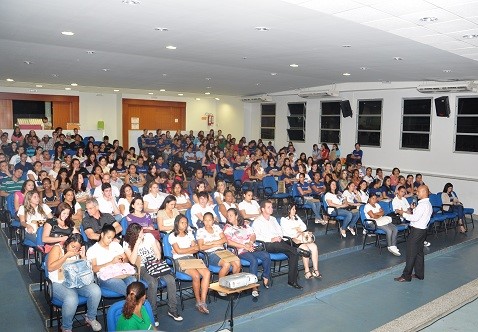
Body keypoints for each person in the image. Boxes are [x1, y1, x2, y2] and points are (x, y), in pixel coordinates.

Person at [123, 223, 182, 324]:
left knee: (171, 279)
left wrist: (157, 258)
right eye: (140, 233)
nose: (143, 234)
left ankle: (172, 309)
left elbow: (158, 253)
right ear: (134, 235)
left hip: (155, 263)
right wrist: (137, 243)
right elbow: (132, 261)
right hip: (141, 266)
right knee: (152, 282)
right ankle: (153, 312)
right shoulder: (127, 243)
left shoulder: (149, 237)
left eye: (142, 231)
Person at [47, 234, 102, 332]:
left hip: (76, 281)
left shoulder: (78, 252)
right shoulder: (57, 248)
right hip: (58, 283)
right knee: (72, 298)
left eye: (77, 248)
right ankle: (66, 327)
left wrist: (83, 257)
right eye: (73, 246)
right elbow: (50, 268)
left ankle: (90, 318)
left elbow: (86, 272)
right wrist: (66, 256)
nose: (74, 250)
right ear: (67, 243)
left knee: (95, 290)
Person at [252, 200, 302, 289]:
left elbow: (280, 230)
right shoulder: (257, 221)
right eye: (269, 207)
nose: (271, 209)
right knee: (282, 246)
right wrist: (271, 239)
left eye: (272, 207)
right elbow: (257, 237)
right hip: (267, 244)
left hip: (279, 242)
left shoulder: (273, 219)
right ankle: (296, 249)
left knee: (293, 254)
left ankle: (292, 281)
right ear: (262, 209)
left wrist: (279, 236)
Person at [168, 214, 211, 314]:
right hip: (180, 260)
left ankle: (203, 301)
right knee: (196, 275)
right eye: (182, 222)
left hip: (191, 258)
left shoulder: (189, 234)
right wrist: (188, 249)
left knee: (207, 273)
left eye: (186, 223)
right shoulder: (172, 236)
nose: (184, 224)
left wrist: (185, 250)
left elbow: (197, 248)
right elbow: (178, 251)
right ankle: (198, 301)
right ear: (177, 223)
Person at [223, 208, 271, 297]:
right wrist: (244, 246)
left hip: (251, 247)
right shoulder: (227, 227)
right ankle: (253, 286)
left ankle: (265, 276)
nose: (228, 217)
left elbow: (253, 235)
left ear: (236, 216)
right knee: (253, 260)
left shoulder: (245, 224)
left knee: (266, 255)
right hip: (239, 250)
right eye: (228, 215)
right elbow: (229, 242)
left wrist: (250, 243)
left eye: (231, 215)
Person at [394, 185, 433, 282]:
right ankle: (419, 274)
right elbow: (419, 216)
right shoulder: (428, 204)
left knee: (411, 253)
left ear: (424, 192)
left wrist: (401, 213)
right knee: (419, 253)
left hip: (416, 231)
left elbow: (414, 218)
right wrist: (414, 209)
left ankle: (406, 276)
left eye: (418, 192)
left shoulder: (423, 205)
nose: (416, 193)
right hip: (422, 231)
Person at [86, 224, 136, 295]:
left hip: (120, 272)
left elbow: (125, 258)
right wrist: (112, 262)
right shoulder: (92, 250)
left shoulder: (115, 245)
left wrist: (122, 261)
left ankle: (132, 302)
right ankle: (134, 302)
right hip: (105, 276)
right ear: (102, 234)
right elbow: (94, 268)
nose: (110, 240)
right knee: (121, 285)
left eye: (112, 238)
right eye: (108, 237)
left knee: (133, 281)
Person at [197, 212, 241, 291]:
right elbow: (201, 247)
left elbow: (224, 239)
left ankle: (234, 284)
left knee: (237, 262)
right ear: (203, 221)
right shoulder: (200, 231)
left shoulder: (217, 228)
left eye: (209, 220)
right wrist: (215, 244)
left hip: (222, 251)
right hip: (210, 253)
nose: (207, 222)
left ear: (213, 220)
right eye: (205, 220)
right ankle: (221, 287)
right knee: (226, 264)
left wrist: (212, 242)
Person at [280, 204, 321, 280]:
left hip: (301, 238)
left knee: (314, 247)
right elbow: (289, 232)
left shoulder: (296, 217)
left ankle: (315, 270)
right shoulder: (283, 219)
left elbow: (304, 226)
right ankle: (307, 271)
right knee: (305, 248)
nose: (295, 210)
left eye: (295, 209)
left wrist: (297, 229)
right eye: (293, 209)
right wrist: (298, 230)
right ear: (288, 210)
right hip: (290, 240)